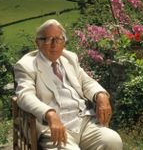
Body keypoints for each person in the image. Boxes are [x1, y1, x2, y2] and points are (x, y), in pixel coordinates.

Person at [14, 19, 123, 150]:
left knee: (112, 140)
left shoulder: (69, 58)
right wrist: (49, 113)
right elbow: (24, 96)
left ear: (64, 42)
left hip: (83, 122)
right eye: (48, 39)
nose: (54, 45)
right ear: (38, 42)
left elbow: (86, 82)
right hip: (53, 127)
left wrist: (101, 95)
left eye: (58, 39)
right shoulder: (26, 65)